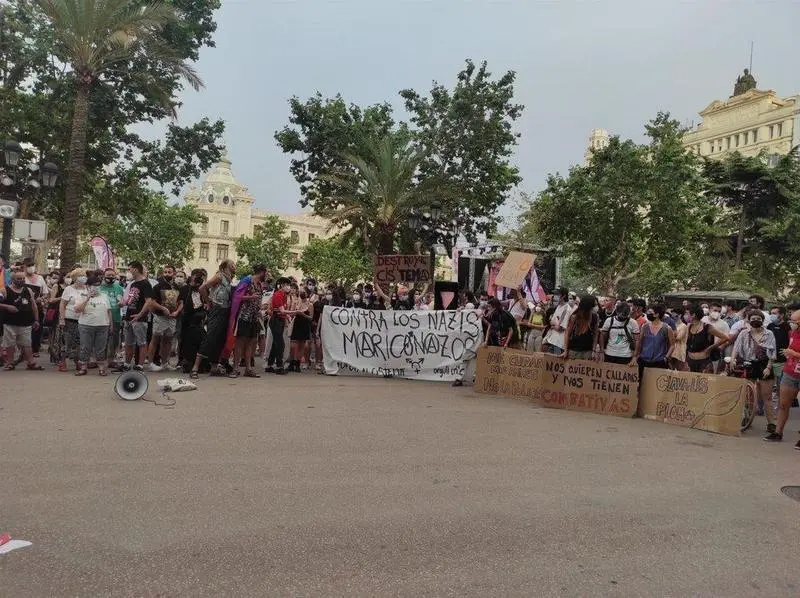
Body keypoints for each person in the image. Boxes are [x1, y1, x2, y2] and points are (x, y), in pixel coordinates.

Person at [731, 311, 777, 435]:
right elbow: (736, 347)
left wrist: (768, 368)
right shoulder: (743, 333)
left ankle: (771, 423)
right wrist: (733, 360)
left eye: (758, 318)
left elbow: (772, 353)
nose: (755, 320)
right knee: (748, 394)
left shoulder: (769, 334)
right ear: (748, 320)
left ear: (762, 320)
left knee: (767, 396)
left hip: (764, 365)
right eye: (753, 318)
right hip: (748, 364)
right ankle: (747, 417)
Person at [190, 259, 235, 378]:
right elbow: (203, 288)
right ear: (226, 266)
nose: (234, 266)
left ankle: (215, 366)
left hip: (225, 310)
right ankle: (195, 367)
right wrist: (208, 301)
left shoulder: (229, 279)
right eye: (232, 264)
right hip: (217, 309)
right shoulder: (219, 276)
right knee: (210, 337)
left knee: (220, 339)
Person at [764, 308, 800, 446]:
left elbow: (795, 352)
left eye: (794, 321)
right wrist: (788, 353)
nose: (792, 323)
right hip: (790, 372)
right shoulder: (792, 333)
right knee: (783, 404)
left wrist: (795, 354)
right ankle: (778, 432)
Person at [228, 264, 267, 378]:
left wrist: (261, 307)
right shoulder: (247, 280)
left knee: (251, 342)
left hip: (254, 317)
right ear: (261, 272)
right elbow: (237, 296)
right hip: (244, 316)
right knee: (240, 342)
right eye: (266, 272)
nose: (267, 275)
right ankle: (235, 368)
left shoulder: (259, 284)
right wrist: (250, 298)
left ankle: (248, 368)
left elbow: (258, 299)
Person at [0, 270, 43, 371]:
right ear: (13, 280)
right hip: (10, 323)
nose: (22, 281)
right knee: (10, 344)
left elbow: (34, 305)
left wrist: (36, 320)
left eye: (23, 279)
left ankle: (31, 362)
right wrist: (7, 306)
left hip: (26, 323)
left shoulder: (28, 290)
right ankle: (10, 363)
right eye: (19, 279)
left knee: (27, 344)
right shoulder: (4, 290)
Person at [74, 274, 112, 376]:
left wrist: (110, 324)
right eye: (94, 285)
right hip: (86, 325)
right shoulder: (81, 295)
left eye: (99, 285)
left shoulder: (104, 296)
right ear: (88, 286)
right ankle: (83, 367)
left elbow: (109, 311)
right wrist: (87, 299)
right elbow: (77, 310)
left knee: (101, 348)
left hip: (102, 325)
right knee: (85, 347)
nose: (97, 287)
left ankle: (101, 368)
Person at [146, 265, 181, 371]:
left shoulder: (177, 287)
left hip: (172, 317)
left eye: (169, 272)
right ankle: (151, 362)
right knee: (155, 338)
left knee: (168, 340)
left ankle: (165, 362)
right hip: (160, 316)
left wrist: (177, 311)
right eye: (165, 272)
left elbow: (181, 302)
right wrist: (162, 308)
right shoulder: (158, 286)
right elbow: (152, 301)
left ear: (174, 273)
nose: (167, 274)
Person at [120, 261, 152, 371]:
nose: (129, 272)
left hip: (139, 318)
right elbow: (130, 300)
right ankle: (127, 363)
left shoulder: (146, 284)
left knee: (141, 342)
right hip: (129, 316)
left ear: (135, 269)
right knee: (128, 342)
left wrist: (140, 314)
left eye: (130, 269)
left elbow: (148, 301)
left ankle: (140, 364)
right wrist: (123, 303)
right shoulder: (133, 284)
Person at [632, 302, 675, 384]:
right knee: (643, 384)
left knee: (657, 385)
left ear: (657, 314)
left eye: (650, 313)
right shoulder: (645, 326)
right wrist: (636, 356)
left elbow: (672, 345)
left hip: (659, 362)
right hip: (644, 360)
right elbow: (640, 342)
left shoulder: (667, 328)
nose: (648, 314)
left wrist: (666, 357)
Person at [59, 269, 90, 372]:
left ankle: (77, 361)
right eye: (81, 276)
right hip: (70, 319)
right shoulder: (69, 289)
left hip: (83, 319)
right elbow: (62, 304)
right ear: (75, 278)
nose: (84, 278)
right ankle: (62, 362)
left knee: (80, 343)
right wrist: (62, 319)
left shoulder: (87, 289)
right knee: (67, 341)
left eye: (84, 275)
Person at [178, 270, 206, 374]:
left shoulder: (203, 289)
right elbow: (182, 303)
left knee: (198, 342)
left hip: (199, 320)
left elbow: (205, 303)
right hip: (187, 319)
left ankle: (198, 364)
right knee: (185, 341)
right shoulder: (185, 289)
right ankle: (183, 361)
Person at [686, 305, 728, 373]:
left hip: (703, 363)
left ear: (693, 315)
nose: (686, 316)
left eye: (688, 313)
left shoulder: (707, 327)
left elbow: (725, 338)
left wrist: (710, 348)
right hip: (690, 361)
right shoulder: (689, 326)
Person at [265, 277, 294, 375]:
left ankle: (269, 365)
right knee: (280, 344)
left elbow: (283, 310)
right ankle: (279, 366)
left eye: (289, 285)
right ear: (281, 285)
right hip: (276, 320)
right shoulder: (278, 295)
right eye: (286, 284)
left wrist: (287, 316)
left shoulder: (284, 296)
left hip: (280, 320)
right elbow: (281, 310)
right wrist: (295, 312)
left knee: (275, 344)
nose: (288, 287)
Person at [98, 268, 124, 366]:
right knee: (102, 339)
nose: (110, 277)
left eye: (113, 275)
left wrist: (121, 303)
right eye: (108, 275)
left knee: (114, 339)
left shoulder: (119, 288)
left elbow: (121, 300)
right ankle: (101, 359)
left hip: (115, 317)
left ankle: (111, 359)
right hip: (101, 318)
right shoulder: (99, 287)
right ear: (103, 276)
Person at [563, 295, 600, 361]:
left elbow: (596, 335)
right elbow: (567, 333)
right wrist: (565, 350)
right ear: (588, 305)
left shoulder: (595, 317)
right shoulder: (575, 317)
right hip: (573, 351)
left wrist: (594, 350)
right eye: (594, 305)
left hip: (588, 352)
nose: (596, 307)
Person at [288, 289, 313, 372]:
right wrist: (295, 311)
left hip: (304, 325)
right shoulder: (296, 302)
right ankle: (292, 362)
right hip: (296, 324)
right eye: (301, 292)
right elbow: (291, 313)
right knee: (293, 345)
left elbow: (311, 318)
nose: (302, 294)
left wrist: (303, 314)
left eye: (304, 292)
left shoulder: (310, 305)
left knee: (301, 345)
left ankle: (298, 364)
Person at [542, 287, 572, 355]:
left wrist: (553, 325)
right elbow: (551, 322)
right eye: (555, 294)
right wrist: (554, 325)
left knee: (554, 360)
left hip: (558, 344)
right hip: (551, 340)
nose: (555, 296)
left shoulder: (567, 309)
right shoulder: (558, 306)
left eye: (557, 294)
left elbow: (560, 328)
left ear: (563, 295)